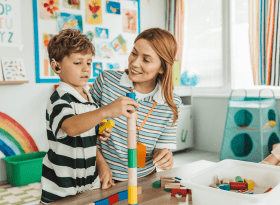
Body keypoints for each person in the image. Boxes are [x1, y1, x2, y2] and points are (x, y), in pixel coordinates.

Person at [40, 29, 139, 204]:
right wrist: (106, 111)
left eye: (89, 62)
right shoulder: (60, 98)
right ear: (57, 66)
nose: (86, 68)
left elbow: (84, 128)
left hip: (88, 183)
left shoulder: (89, 98)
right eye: (78, 62)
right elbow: (70, 127)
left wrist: (97, 131)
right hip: (61, 187)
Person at [90, 28, 182, 185]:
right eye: (134, 53)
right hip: (102, 178)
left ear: (162, 68)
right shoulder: (106, 81)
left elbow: (161, 148)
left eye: (146, 60)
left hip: (143, 180)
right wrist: (100, 163)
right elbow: (83, 128)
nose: (134, 62)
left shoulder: (172, 103)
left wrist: (165, 156)